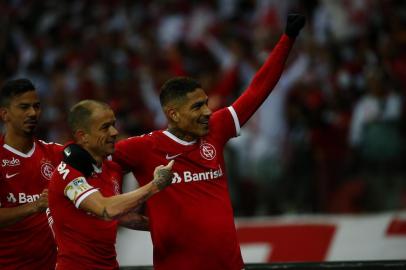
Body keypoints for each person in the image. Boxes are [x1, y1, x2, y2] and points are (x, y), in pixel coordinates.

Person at [113, 14, 306, 270]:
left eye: (205, 103)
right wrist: (116, 205)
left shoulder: (216, 128)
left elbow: (259, 89)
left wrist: (287, 39)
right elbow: (97, 163)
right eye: (197, 107)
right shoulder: (143, 148)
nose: (207, 111)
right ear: (173, 114)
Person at [47, 100, 174, 269]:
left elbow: (120, 215)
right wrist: (155, 185)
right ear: (82, 136)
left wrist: (167, 227)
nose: (114, 132)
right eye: (105, 127)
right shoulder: (67, 173)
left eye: (113, 125)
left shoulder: (112, 169)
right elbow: (106, 209)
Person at [0, 78, 62, 269]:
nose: (33, 113)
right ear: (5, 114)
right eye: (24, 107)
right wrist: (35, 206)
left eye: (36, 106)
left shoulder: (56, 154)